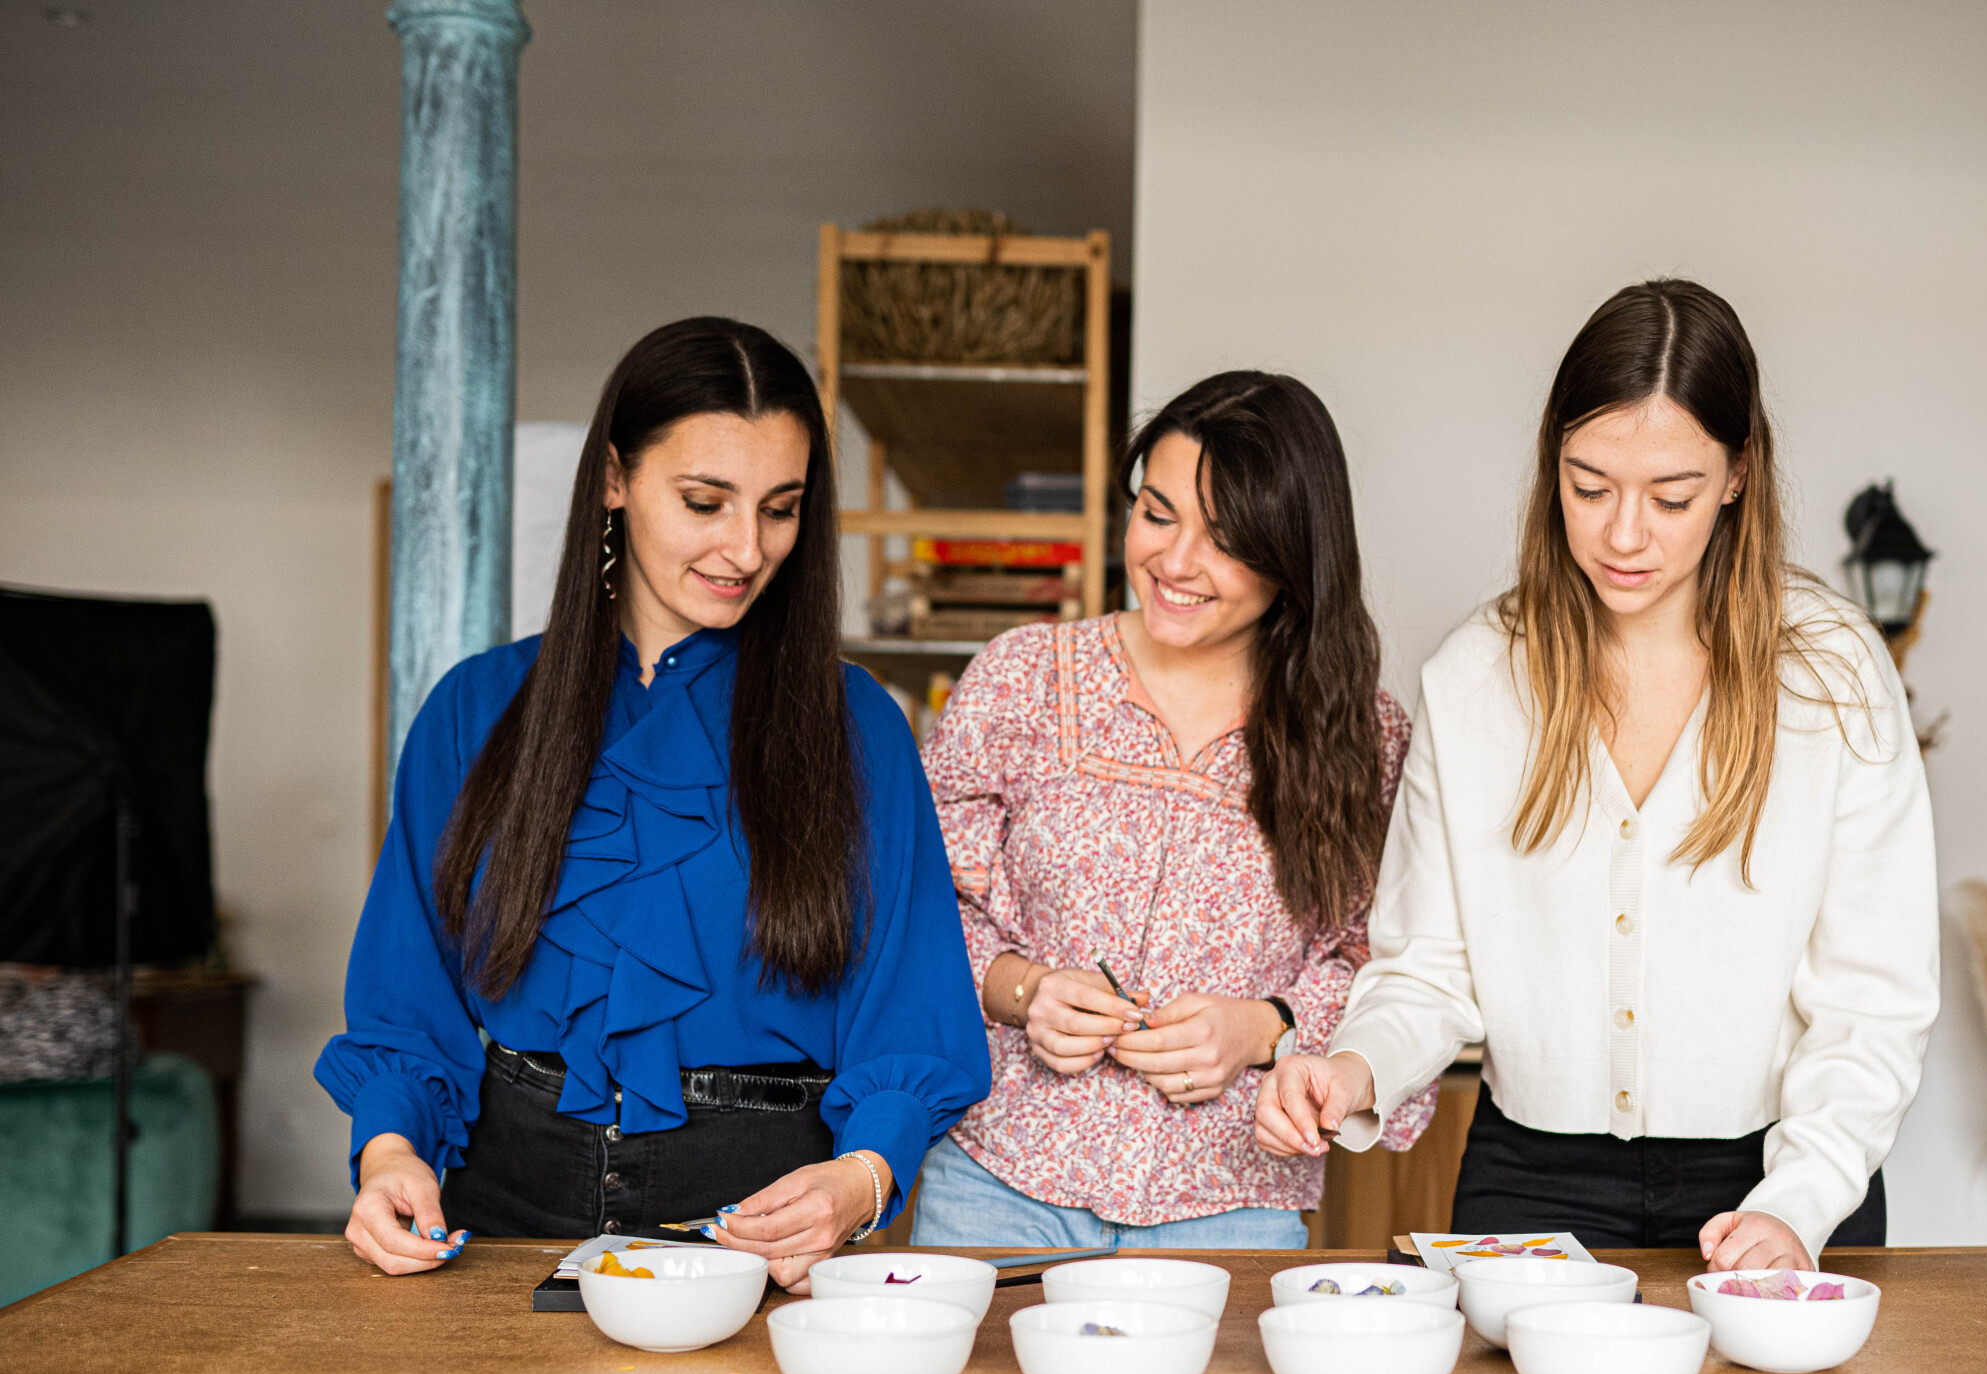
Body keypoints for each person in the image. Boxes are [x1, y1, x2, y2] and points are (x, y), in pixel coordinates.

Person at [1256, 280, 1938, 1269]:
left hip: (1779, 1179)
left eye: (1672, 497)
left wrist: (1798, 1199)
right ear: (1551, 467)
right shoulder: (1478, 674)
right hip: (1531, 1174)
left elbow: (1871, 1002)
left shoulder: (1832, 671)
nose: (1625, 535)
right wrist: (1355, 1068)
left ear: (1738, 475)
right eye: (1589, 486)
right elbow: (1423, 969)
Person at [318, 317, 988, 1289]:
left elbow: (910, 998)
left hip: (758, 1207)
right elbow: (406, 988)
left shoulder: (854, 724)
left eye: (781, 508)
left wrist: (860, 1175)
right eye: (705, 501)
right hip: (495, 1197)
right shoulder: (475, 709)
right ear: (614, 479)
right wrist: (388, 1152)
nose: (746, 548)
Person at [914, 371, 1431, 1249]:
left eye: (1225, 539)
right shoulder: (1021, 679)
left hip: (1234, 1207)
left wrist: (1263, 1029)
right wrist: (1024, 991)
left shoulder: (1364, 736)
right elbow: (915, 911)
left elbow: (1390, 963)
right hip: (998, 1184)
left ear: (1293, 555)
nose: (1175, 562)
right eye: (1157, 514)